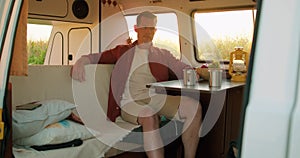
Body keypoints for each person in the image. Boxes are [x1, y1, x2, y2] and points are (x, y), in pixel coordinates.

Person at [71, 11, 202, 158]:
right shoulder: (122, 51)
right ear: (136, 28)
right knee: (149, 115)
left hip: (155, 98)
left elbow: (180, 67)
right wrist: (81, 61)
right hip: (130, 102)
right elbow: (97, 57)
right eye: (144, 27)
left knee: (194, 107)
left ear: (155, 30)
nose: (148, 32)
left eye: (151, 28)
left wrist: (194, 72)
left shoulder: (162, 54)